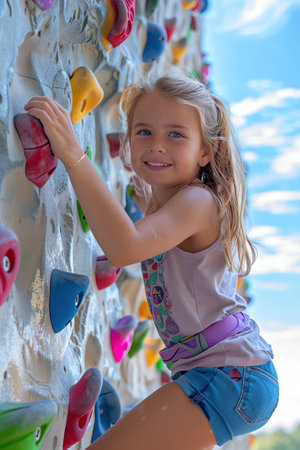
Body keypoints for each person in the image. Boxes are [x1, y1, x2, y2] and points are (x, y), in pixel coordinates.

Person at [24, 67, 279, 450]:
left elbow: (124, 248)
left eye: (175, 134)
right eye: (144, 132)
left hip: (230, 374)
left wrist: (72, 152)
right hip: (219, 374)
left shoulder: (196, 201)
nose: (157, 145)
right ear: (128, 140)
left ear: (206, 151)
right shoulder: (172, 204)